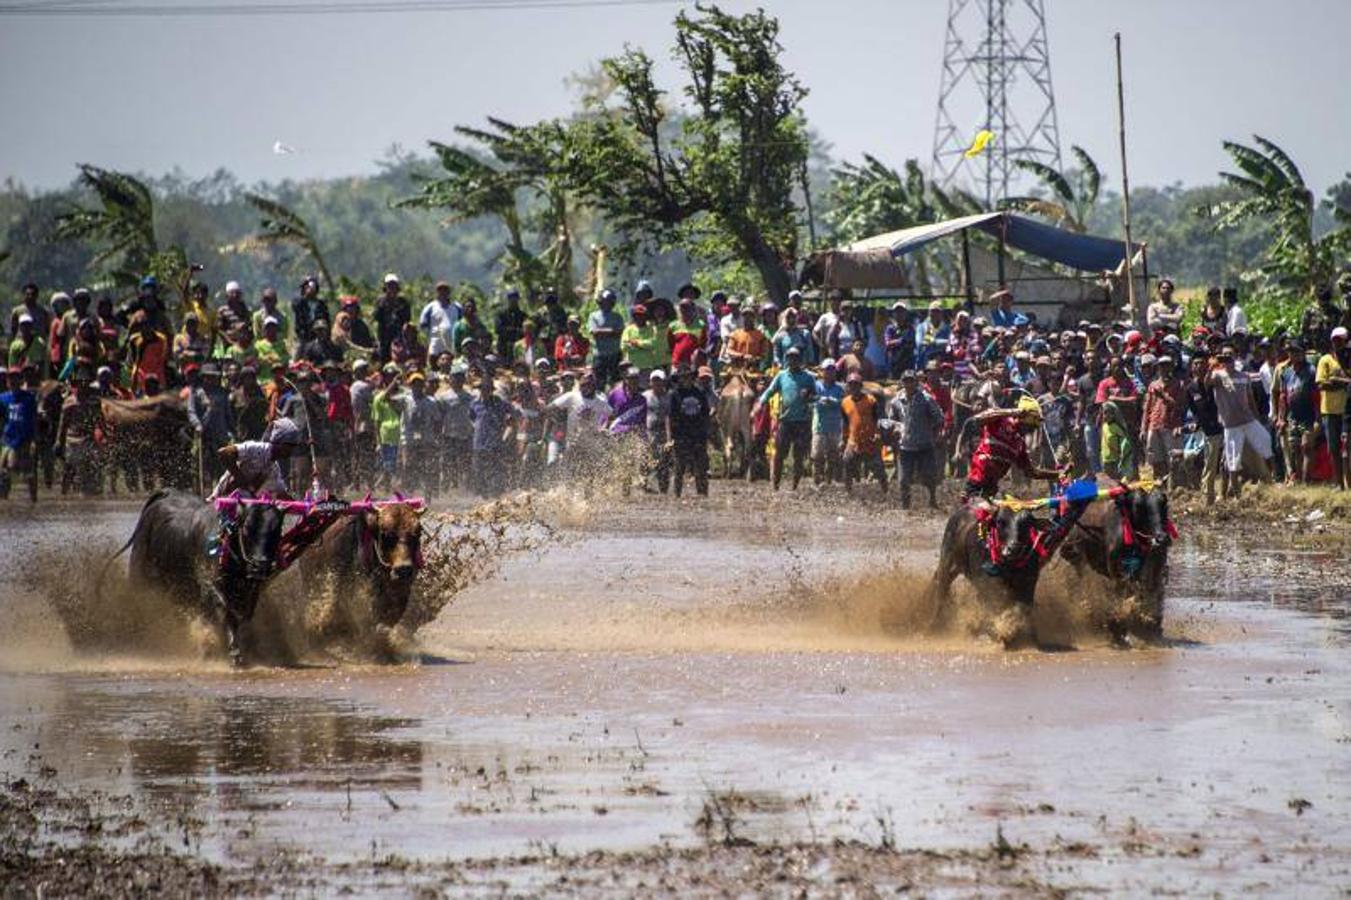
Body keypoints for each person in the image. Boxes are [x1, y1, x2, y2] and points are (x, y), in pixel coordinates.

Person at [962, 396, 1064, 501]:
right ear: (1021, 419)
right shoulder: (1000, 421)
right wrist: (1011, 412)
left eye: (1032, 429)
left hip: (991, 489)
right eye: (1029, 427)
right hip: (976, 485)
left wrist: (1058, 474)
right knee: (984, 511)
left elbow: (1032, 472)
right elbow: (977, 420)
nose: (1030, 431)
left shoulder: (1019, 443)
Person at [1207, 346, 1273, 496]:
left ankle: (1272, 479)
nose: (1227, 358)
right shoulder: (1218, 375)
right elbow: (1207, 383)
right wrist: (1212, 365)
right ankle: (1236, 492)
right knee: (1233, 460)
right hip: (1231, 425)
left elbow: (1250, 399)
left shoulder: (1244, 376)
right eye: (1224, 356)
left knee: (1266, 442)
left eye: (1230, 355)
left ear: (1235, 357)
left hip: (1248, 420)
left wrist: (1257, 417)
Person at [755, 346, 815, 491]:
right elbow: (770, 391)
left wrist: (809, 395)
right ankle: (775, 485)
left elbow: (815, 396)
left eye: (795, 358)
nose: (792, 360)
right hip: (785, 420)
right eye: (790, 357)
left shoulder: (808, 377)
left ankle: (795, 486)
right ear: (787, 359)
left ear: (800, 360)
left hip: (802, 421)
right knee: (779, 455)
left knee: (798, 456)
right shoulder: (781, 376)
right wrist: (760, 403)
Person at [887, 369, 945, 509]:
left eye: (911, 381)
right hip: (905, 445)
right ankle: (905, 506)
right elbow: (891, 420)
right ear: (902, 382)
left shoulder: (926, 399)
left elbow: (939, 418)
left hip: (924, 444)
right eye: (906, 381)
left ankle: (932, 500)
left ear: (916, 382)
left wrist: (935, 434)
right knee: (903, 479)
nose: (909, 384)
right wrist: (894, 430)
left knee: (929, 476)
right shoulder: (896, 401)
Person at [209, 416, 304, 499]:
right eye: (290, 446)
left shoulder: (273, 468)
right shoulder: (256, 449)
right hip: (223, 498)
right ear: (279, 442)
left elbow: (283, 493)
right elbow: (224, 453)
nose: (291, 451)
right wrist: (241, 479)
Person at [1275, 345, 1320, 483]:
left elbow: (1317, 395)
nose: (1295, 355)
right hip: (1293, 417)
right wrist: (1281, 418)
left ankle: (1307, 481)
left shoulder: (1311, 371)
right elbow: (1283, 396)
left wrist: (1318, 418)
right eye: (1292, 352)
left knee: (1306, 446)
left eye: (1297, 351)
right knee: (1295, 449)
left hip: (1309, 416)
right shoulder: (1286, 373)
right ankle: (1299, 480)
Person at [188, 363, 235, 486]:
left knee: (221, 465)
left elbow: (228, 414)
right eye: (207, 377)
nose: (210, 379)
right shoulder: (197, 393)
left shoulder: (223, 393)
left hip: (220, 434)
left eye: (213, 377)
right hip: (203, 433)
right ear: (203, 377)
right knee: (198, 464)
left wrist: (232, 430)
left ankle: (218, 491)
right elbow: (191, 411)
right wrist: (197, 424)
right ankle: (198, 490)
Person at [667, 363, 711, 497]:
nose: (685, 380)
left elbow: (705, 414)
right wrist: (670, 439)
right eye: (683, 377)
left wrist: (707, 433)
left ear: (692, 378)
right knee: (679, 468)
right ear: (679, 379)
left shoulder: (700, 393)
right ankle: (676, 495)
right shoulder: (674, 395)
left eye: (688, 377)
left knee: (701, 468)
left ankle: (703, 495)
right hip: (681, 436)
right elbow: (669, 417)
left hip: (698, 435)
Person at [57, 370, 104, 496]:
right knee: (69, 469)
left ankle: (91, 493)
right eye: (79, 383)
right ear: (75, 385)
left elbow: (99, 421)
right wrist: (58, 442)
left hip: (88, 439)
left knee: (91, 468)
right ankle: (64, 495)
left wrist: (101, 435)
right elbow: (63, 424)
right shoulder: (69, 402)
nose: (82, 386)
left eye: (85, 383)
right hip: (72, 440)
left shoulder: (94, 402)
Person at [1315, 327, 1349, 489]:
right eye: (1335, 340)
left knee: (1347, 447)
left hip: (1347, 410)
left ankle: (1347, 482)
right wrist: (1343, 382)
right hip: (1329, 410)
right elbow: (1321, 384)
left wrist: (1336, 381)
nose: (1338, 343)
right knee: (1334, 448)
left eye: (1341, 340)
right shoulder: (1325, 360)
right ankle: (1338, 483)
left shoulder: (1348, 359)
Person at [841, 373, 886, 495]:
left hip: (870, 440)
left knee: (878, 467)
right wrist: (843, 439)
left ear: (860, 386)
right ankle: (848, 491)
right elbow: (845, 422)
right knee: (847, 462)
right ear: (848, 387)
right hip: (853, 440)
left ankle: (885, 491)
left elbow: (879, 419)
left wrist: (878, 433)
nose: (853, 387)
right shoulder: (845, 402)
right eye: (851, 384)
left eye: (856, 384)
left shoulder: (871, 401)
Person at [1140, 355, 1184, 481]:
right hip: (1154, 424)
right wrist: (1143, 428)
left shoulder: (1178, 384)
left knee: (1172, 458)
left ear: (1171, 367)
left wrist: (1163, 396)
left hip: (1170, 424)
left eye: (1167, 365)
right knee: (1155, 457)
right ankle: (1159, 483)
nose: (1164, 368)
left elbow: (1179, 405)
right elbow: (1147, 408)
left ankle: (1174, 484)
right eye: (1162, 366)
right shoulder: (1153, 385)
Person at [0, 366, 38, 501]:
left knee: (28, 473)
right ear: (7, 381)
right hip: (7, 439)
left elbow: (34, 420)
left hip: (24, 440)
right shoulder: (3, 398)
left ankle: (34, 500)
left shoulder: (29, 398)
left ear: (21, 380)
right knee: (4, 472)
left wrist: (34, 439)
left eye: (16, 377)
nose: (13, 381)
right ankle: (4, 500)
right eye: (11, 378)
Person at [811, 359, 844, 485]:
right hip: (819, 426)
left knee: (833, 455)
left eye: (832, 370)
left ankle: (830, 480)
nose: (830, 373)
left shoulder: (840, 388)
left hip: (835, 426)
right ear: (822, 371)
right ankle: (817, 481)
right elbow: (810, 400)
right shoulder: (815, 386)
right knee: (817, 455)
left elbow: (844, 403)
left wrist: (833, 401)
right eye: (827, 370)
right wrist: (820, 401)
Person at [588, 289, 625, 388]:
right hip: (600, 355)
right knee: (599, 383)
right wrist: (612, 331)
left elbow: (619, 333)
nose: (607, 303)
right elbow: (594, 332)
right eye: (605, 301)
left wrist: (603, 331)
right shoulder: (593, 316)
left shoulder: (617, 317)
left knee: (616, 381)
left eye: (609, 301)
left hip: (615, 354)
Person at [419, 281, 461, 362]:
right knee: (434, 367)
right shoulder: (430, 307)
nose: (443, 292)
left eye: (445, 290)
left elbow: (462, 322)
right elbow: (423, 325)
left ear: (449, 292)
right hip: (435, 345)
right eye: (440, 290)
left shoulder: (456, 307)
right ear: (437, 292)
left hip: (452, 346)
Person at [374, 274, 411, 362]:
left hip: (399, 337)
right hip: (384, 337)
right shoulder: (381, 301)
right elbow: (376, 317)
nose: (391, 288)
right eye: (389, 285)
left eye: (394, 285)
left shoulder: (403, 302)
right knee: (384, 360)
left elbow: (407, 318)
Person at [622, 304, 667, 376]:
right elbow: (624, 346)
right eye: (637, 315)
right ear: (633, 316)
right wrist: (644, 346)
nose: (639, 317)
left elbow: (654, 344)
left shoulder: (652, 328)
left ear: (645, 316)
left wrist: (637, 343)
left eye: (641, 315)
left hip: (648, 367)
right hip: (632, 367)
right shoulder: (628, 329)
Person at [725, 306, 770, 371]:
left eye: (750, 316)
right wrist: (742, 356)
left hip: (754, 368)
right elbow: (729, 350)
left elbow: (764, 353)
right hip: (737, 368)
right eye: (745, 316)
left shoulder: (761, 336)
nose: (747, 318)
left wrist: (754, 358)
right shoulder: (735, 334)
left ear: (754, 318)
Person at [494, 289, 527, 360]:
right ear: (508, 300)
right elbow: (498, 329)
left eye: (515, 299)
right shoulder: (501, 314)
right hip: (503, 348)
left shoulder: (523, 315)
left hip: (519, 348)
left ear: (518, 300)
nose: (513, 301)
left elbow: (526, 331)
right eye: (511, 299)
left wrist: (512, 330)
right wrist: (515, 330)